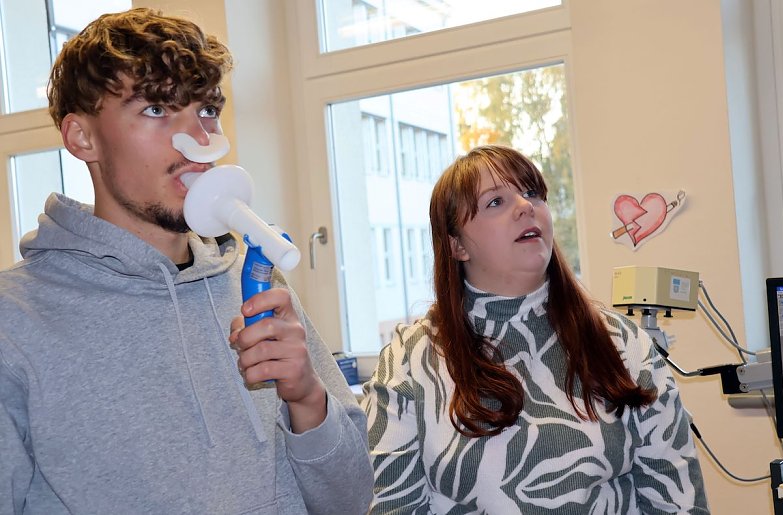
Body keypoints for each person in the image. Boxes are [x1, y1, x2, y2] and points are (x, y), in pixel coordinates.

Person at [0, 8, 372, 514]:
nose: (199, 141)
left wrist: (308, 398)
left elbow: (349, 502)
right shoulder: (14, 321)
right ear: (82, 137)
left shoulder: (254, 282)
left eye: (207, 109)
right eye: (156, 110)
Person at [361, 145, 709, 514]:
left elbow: (679, 501)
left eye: (532, 193)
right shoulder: (408, 362)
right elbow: (392, 506)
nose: (526, 207)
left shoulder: (623, 342)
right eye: (495, 202)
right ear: (457, 245)